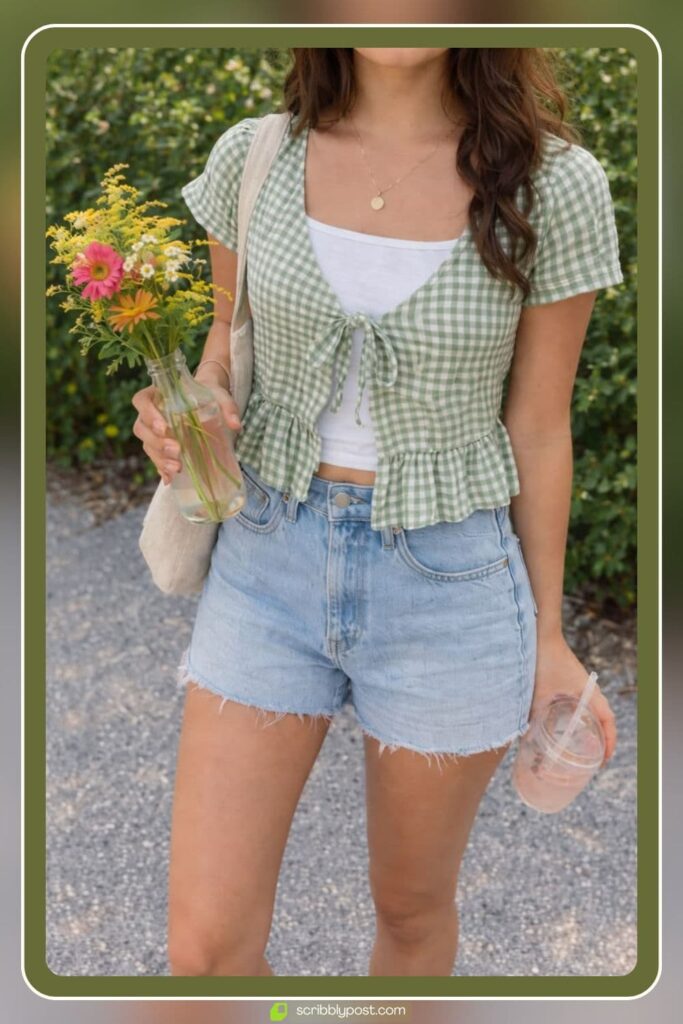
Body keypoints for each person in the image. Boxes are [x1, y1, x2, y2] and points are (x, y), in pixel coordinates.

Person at [131, 47, 623, 978]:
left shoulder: (557, 186)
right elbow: (223, 348)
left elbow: (541, 424)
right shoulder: (256, 155)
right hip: (265, 560)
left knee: (408, 911)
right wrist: (179, 409)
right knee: (204, 954)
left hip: (450, 584)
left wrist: (549, 635)